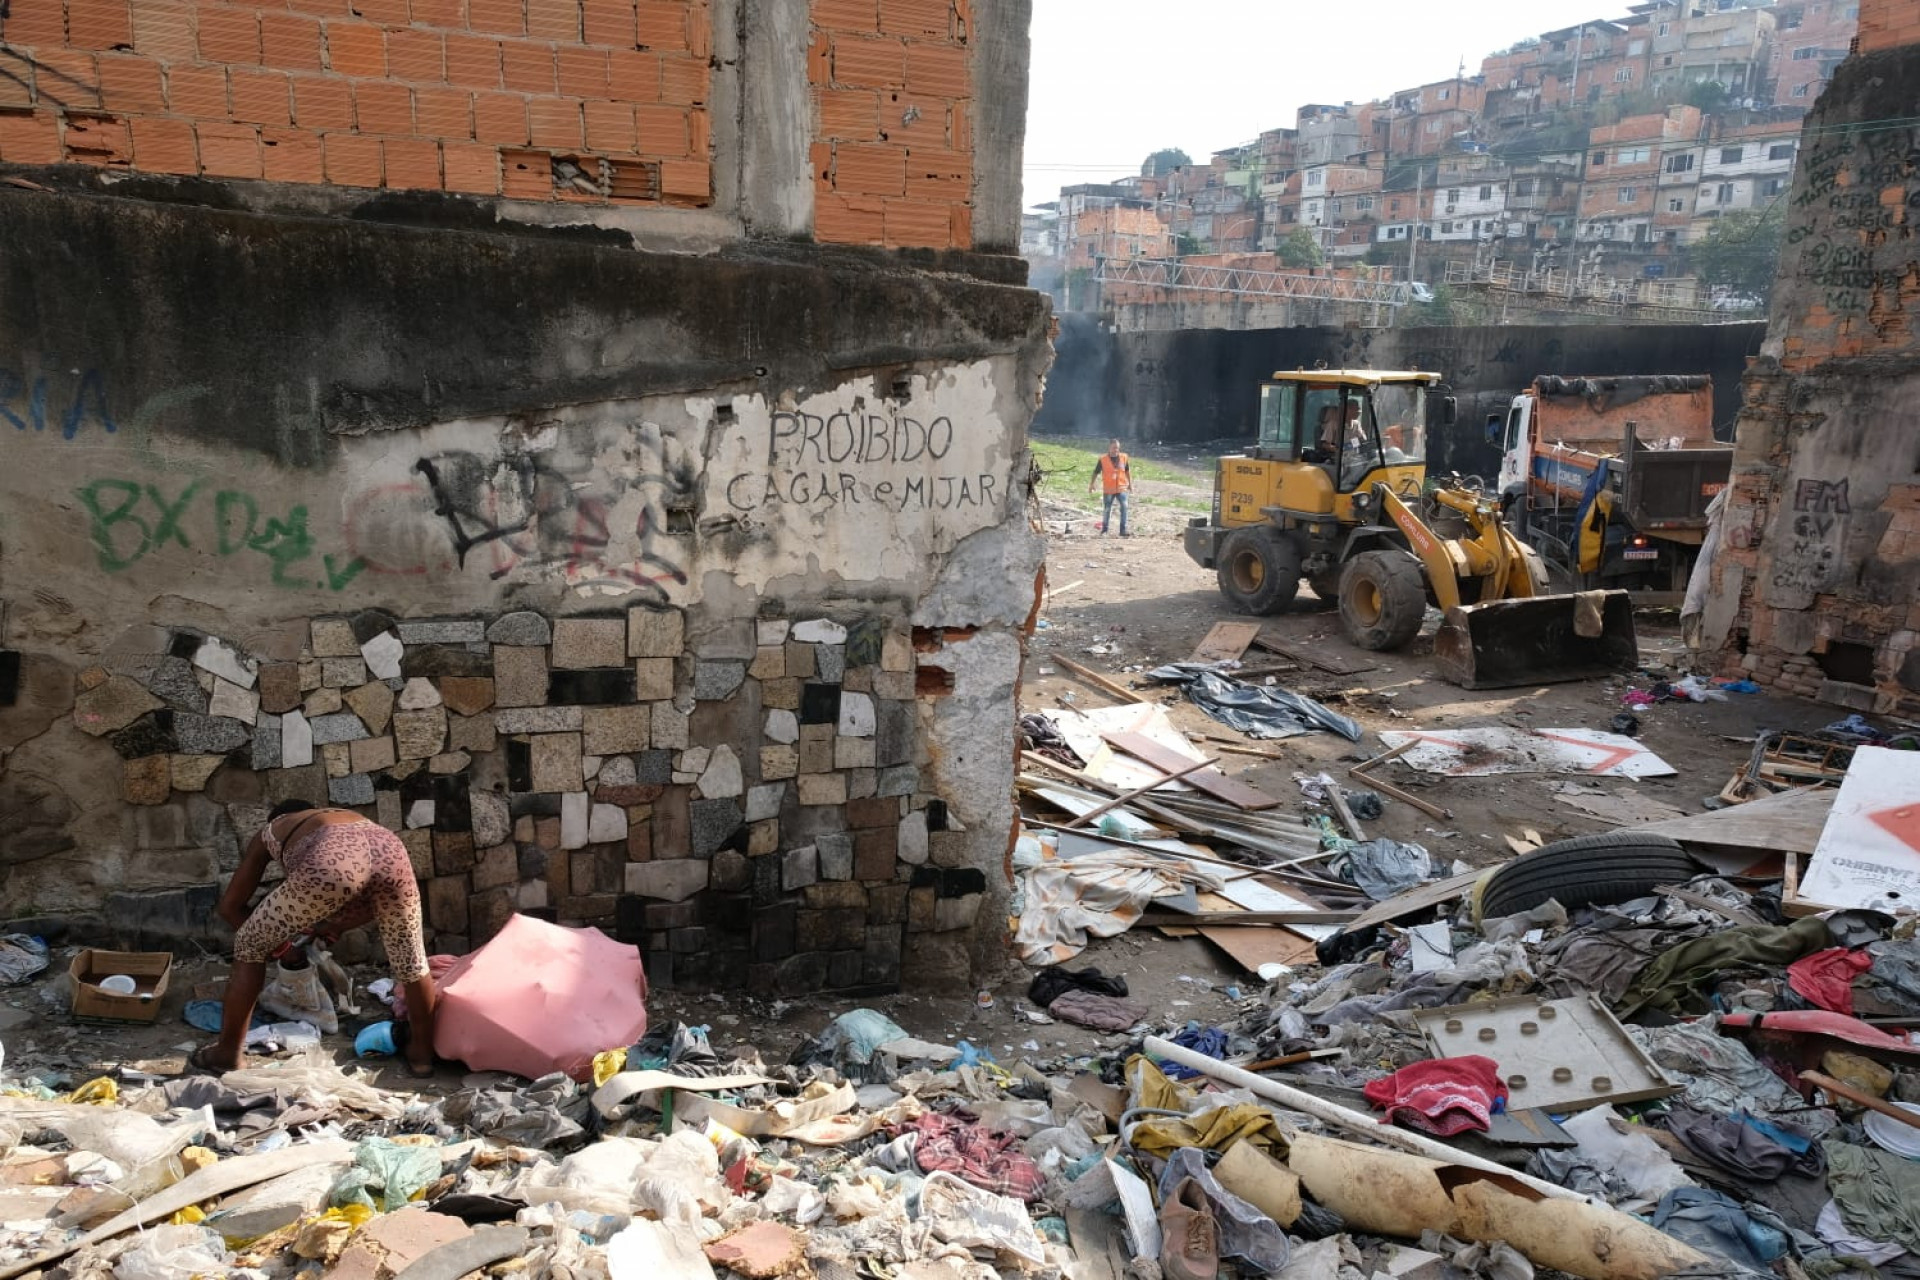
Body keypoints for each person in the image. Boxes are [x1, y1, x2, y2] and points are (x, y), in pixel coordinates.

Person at [195, 800, 437, 1076]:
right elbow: (374, 901)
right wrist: (337, 925)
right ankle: (421, 1054)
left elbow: (230, 907)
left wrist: (280, 946)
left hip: (334, 859)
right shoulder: (341, 818)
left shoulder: (272, 830)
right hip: (390, 851)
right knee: (412, 963)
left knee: (249, 946)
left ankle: (227, 1054)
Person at [1088, 438, 1132, 536]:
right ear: (1109, 448)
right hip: (1109, 489)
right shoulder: (1103, 459)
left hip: (1121, 488)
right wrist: (1091, 484)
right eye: (1114, 448)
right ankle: (1104, 530)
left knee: (1124, 507)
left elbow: (1127, 471)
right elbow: (1095, 472)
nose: (1116, 450)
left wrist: (1130, 484)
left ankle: (1123, 530)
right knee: (1107, 509)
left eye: (1117, 448)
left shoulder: (1124, 457)